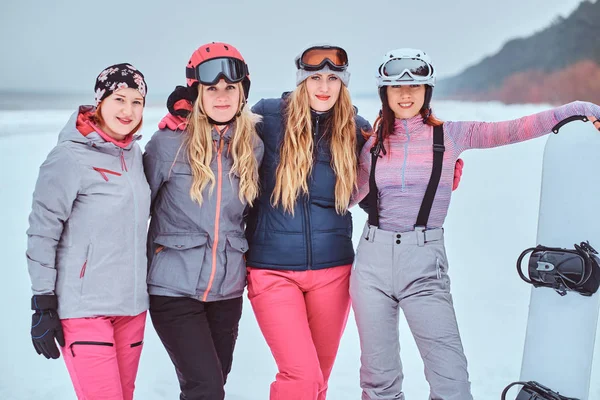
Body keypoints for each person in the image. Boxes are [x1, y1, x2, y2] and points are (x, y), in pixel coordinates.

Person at [349, 47, 600, 400]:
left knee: (451, 383)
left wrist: (574, 110)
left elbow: (512, 129)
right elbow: (344, 198)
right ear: (384, 93)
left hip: (424, 265)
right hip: (372, 264)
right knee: (378, 382)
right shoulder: (372, 146)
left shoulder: (450, 136)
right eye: (395, 88)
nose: (405, 95)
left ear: (427, 91)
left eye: (415, 87)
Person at [143, 42, 264, 400]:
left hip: (227, 291)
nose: (222, 96)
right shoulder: (167, 144)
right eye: (212, 89)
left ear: (243, 92)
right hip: (172, 289)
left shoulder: (252, 146)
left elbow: (253, 213)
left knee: (212, 384)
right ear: (196, 92)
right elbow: (135, 212)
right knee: (206, 387)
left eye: (230, 88)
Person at [26, 63, 150, 400]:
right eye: (119, 99)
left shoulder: (135, 155)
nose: (128, 110)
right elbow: (42, 232)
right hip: (84, 310)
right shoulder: (69, 156)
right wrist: (43, 302)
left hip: (132, 309)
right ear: (100, 101)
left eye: (137, 101)